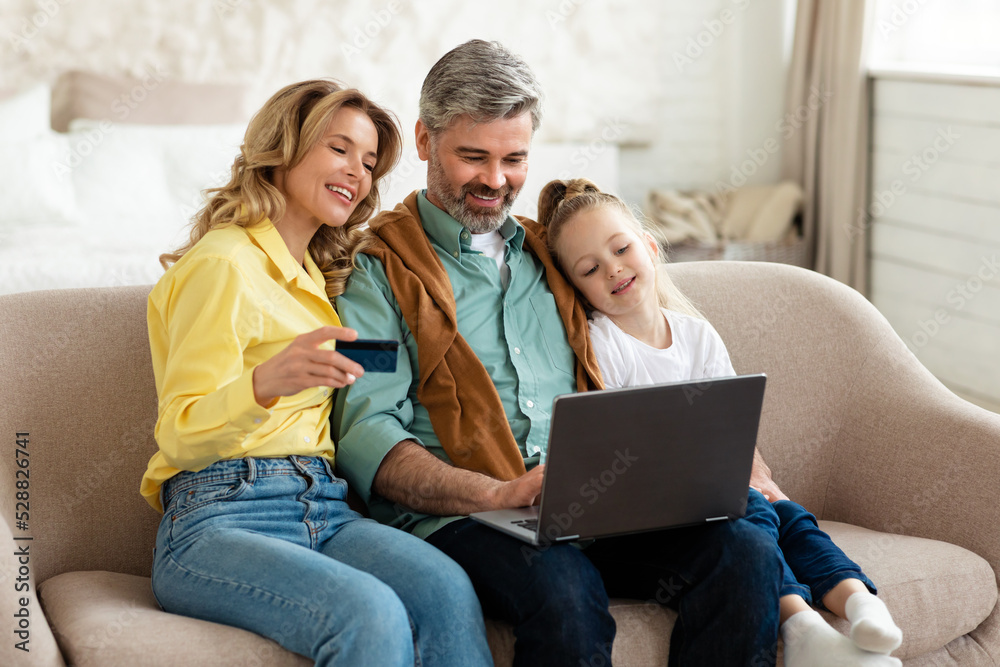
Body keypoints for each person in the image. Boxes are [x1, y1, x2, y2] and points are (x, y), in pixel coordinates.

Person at [334, 39, 787, 666]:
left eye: (514, 158)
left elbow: (655, 343)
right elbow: (366, 431)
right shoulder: (376, 274)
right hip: (468, 517)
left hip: (598, 502)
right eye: (473, 157)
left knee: (746, 551)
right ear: (422, 140)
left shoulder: (558, 256)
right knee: (564, 587)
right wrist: (494, 494)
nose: (496, 180)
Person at [141, 79, 492, 667]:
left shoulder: (317, 284)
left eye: (369, 161)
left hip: (323, 505)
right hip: (220, 516)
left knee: (446, 590)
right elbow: (178, 432)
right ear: (283, 149)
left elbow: (368, 363)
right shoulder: (224, 264)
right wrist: (262, 385)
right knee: (369, 612)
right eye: (339, 148)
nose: (357, 172)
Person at [538, 177, 904, 667]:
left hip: (708, 496)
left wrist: (745, 480)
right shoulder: (601, 342)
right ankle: (800, 624)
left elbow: (731, 429)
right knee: (752, 513)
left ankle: (861, 604)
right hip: (646, 519)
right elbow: (615, 448)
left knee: (782, 511)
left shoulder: (696, 334)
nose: (614, 270)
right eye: (590, 268)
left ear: (649, 244)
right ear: (576, 287)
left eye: (622, 248)